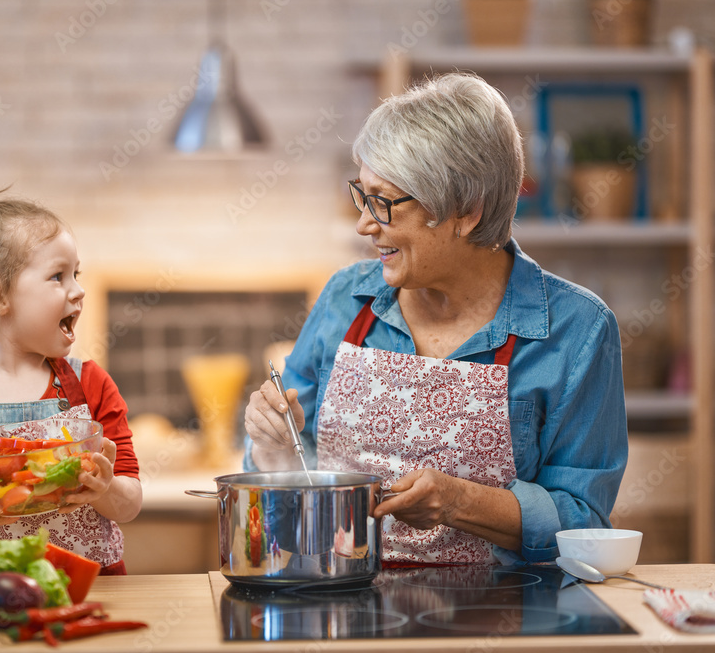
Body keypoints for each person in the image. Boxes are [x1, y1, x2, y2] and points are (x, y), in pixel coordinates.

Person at [242, 73, 628, 565]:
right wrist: (274, 451)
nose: (363, 223)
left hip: (502, 626)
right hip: (344, 614)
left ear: (466, 211)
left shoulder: (579, 331)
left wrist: (462, 503)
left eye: (382, 202)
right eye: (362, 194)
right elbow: (296, 477)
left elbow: (587, 526)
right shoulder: (345, 298)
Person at [0, 174, 142, 575]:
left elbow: (130, 503)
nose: (78, 290)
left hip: (93, 594)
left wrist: (103, 490)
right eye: (57, 276)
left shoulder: (91, 384)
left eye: (77, 274)